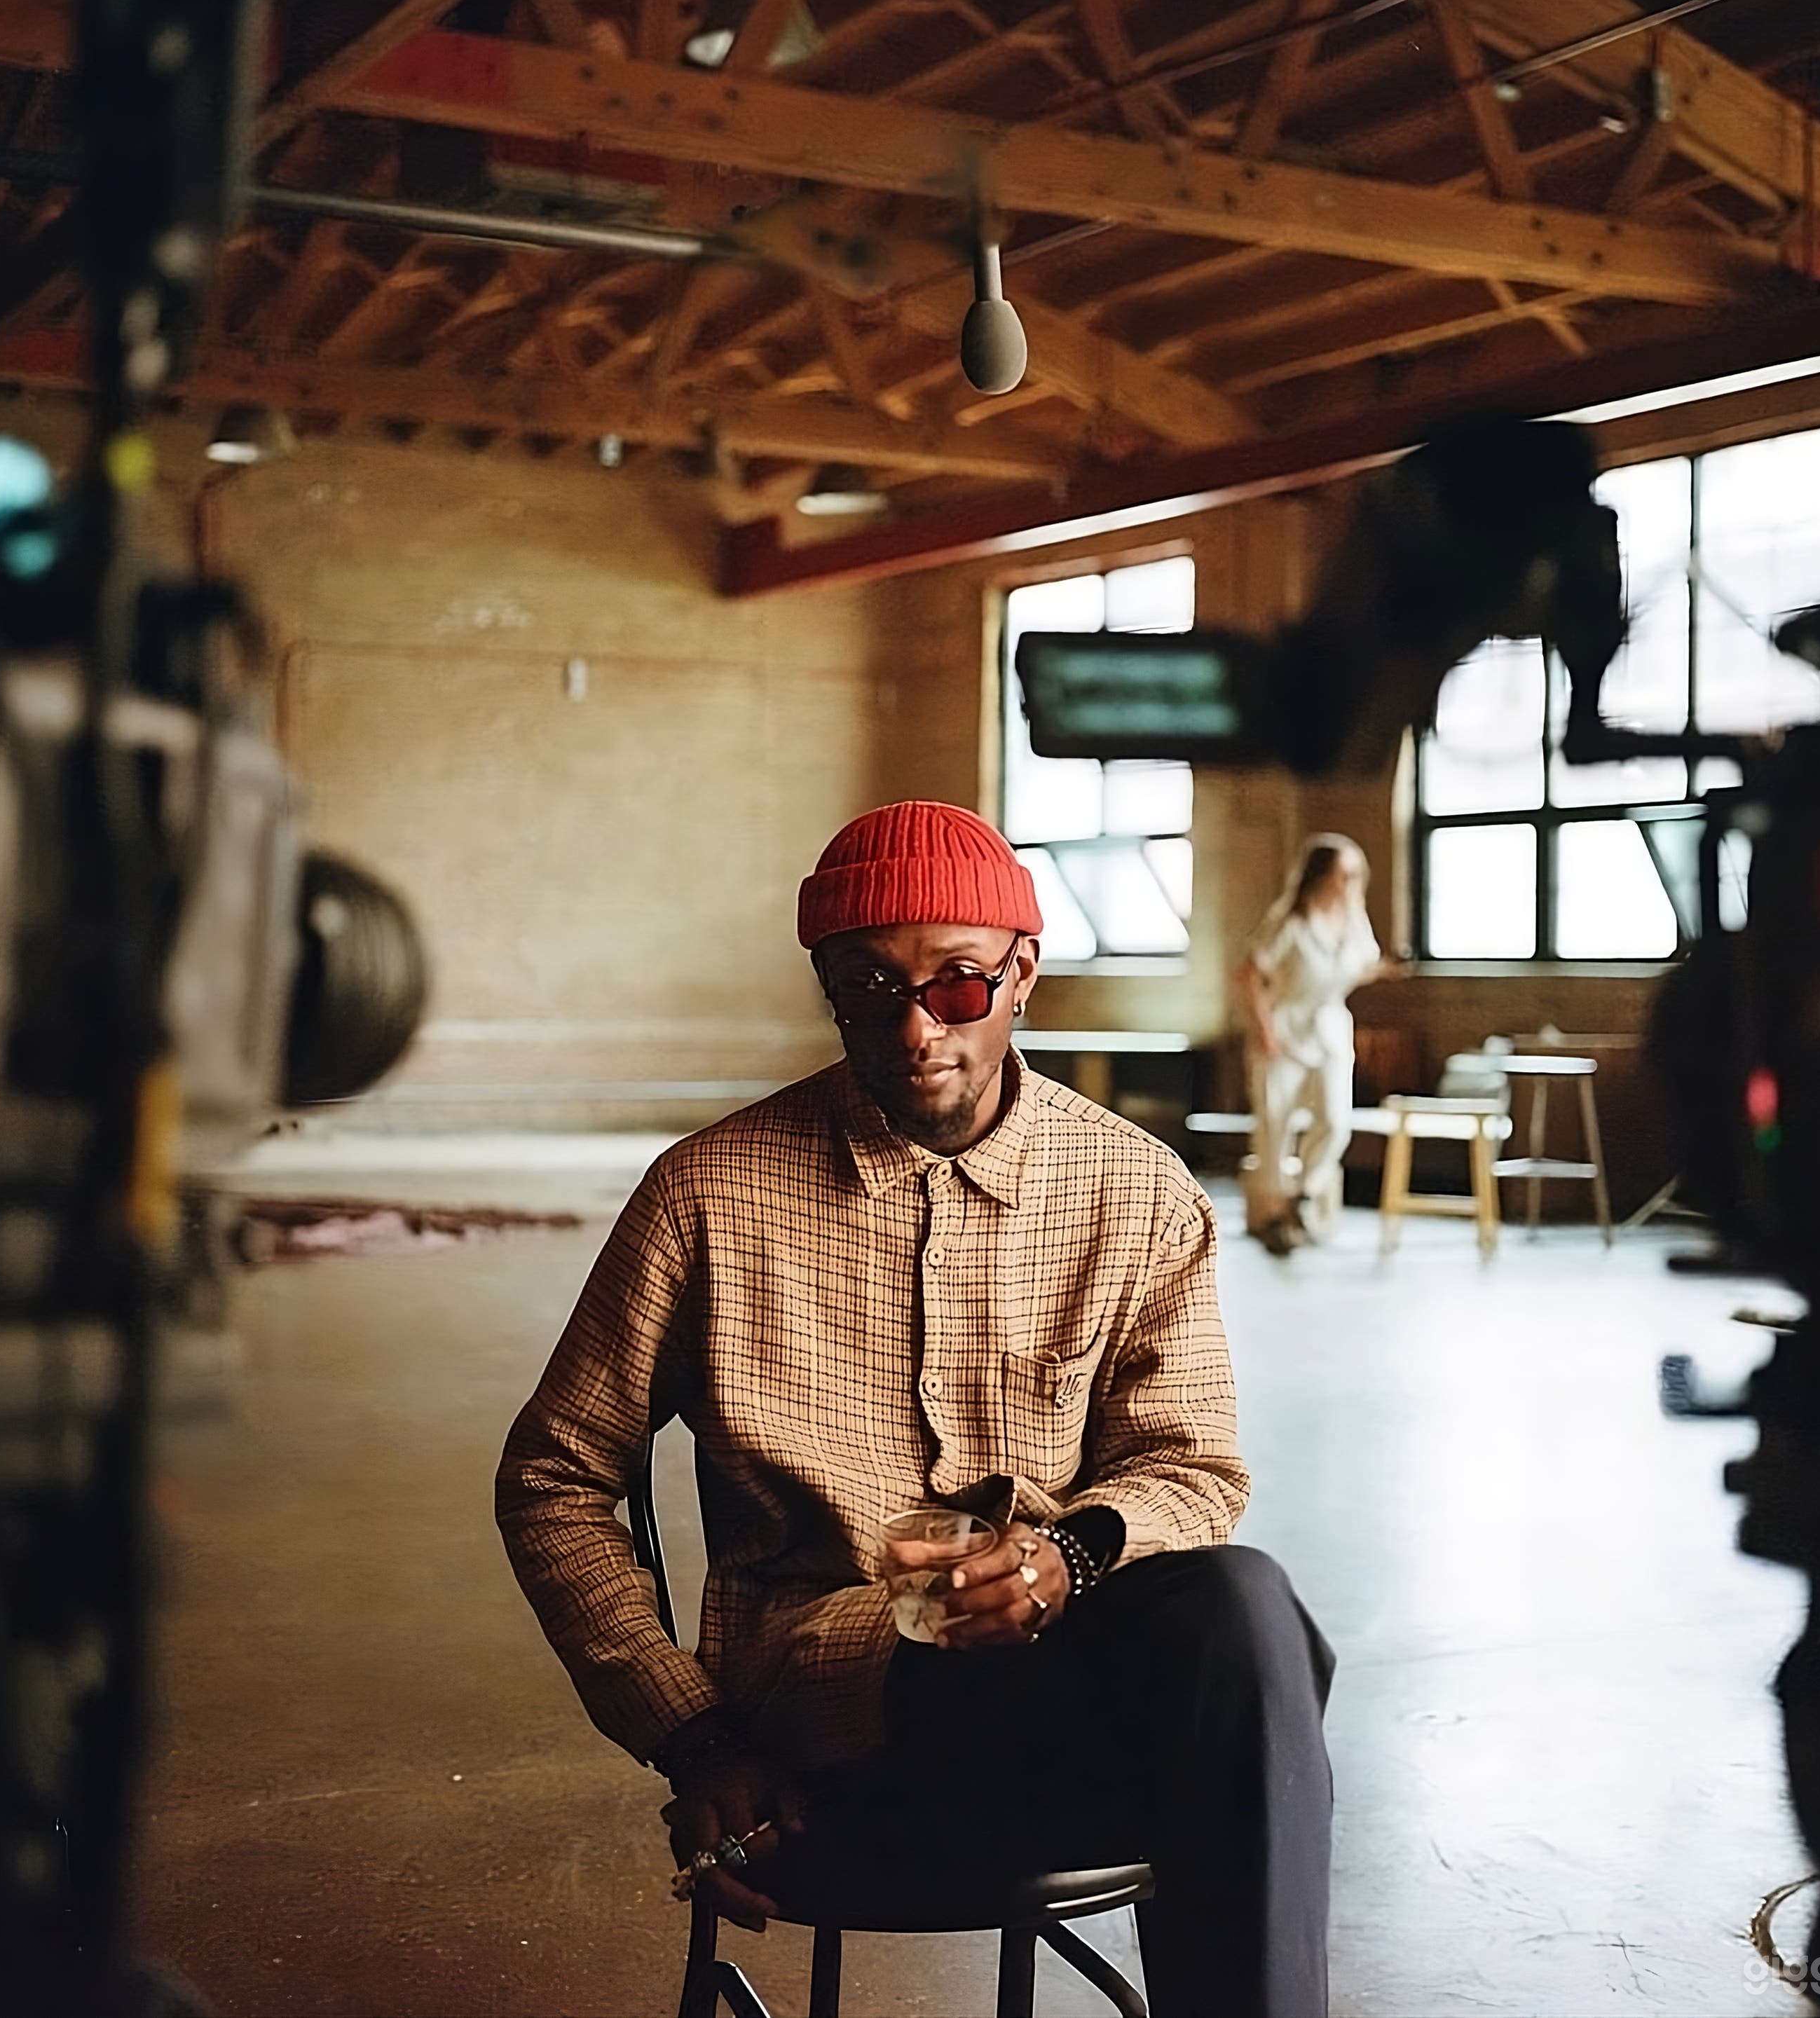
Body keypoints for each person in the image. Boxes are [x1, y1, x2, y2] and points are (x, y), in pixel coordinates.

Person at [497, 800, 1335, 2018]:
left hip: (1066, 1701)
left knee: (1249, 1609)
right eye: (868, 986)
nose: (912, 1028)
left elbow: (1190, 1466)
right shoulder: (707, 1195)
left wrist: (1066, 1556)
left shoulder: (1138, 1188)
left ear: (1022, 974)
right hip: (840, 1720)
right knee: (1253, 1716)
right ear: (828, 986)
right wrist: (697, 1738)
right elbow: (555, 1482)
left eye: (956, 986)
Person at [1238, 834, 1392, 1254]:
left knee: (1335, 1121)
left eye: (1355, 875)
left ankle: (1303, 1194)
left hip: (1330, 1029)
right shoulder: (1290, 922)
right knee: (1276, 1123)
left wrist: (1384, 972)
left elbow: (1358, 967)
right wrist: (1264, 1027)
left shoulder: (1353, 922)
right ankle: (1273, 1216)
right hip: (1285, 1027)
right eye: (1343, 875)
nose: (1349, 884)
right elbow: (1249, 973)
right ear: (1322, 876)